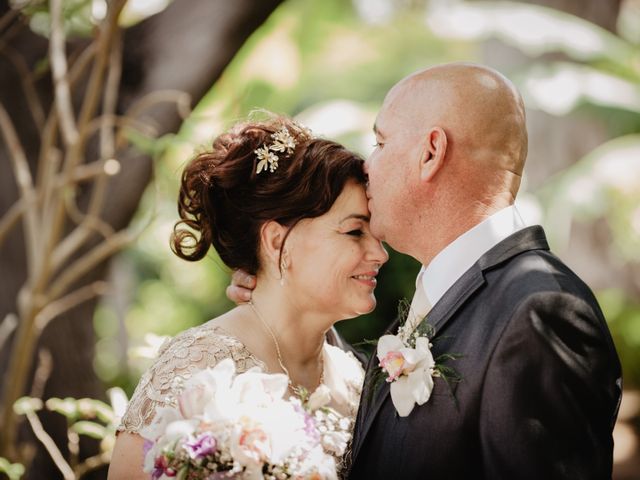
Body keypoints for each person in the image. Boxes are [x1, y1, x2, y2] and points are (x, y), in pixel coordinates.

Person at [228, 63, 622, 479]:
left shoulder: (540, 311)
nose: (366, 165)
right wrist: (289, 305)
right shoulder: (451, 290)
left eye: (380, 142)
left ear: (430, 152)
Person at [107, 114, 389, 479]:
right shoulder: (195, 369)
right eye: (354, 232)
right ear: (275, 241)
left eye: (376, 233)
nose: (380, 253)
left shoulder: (355, 378)